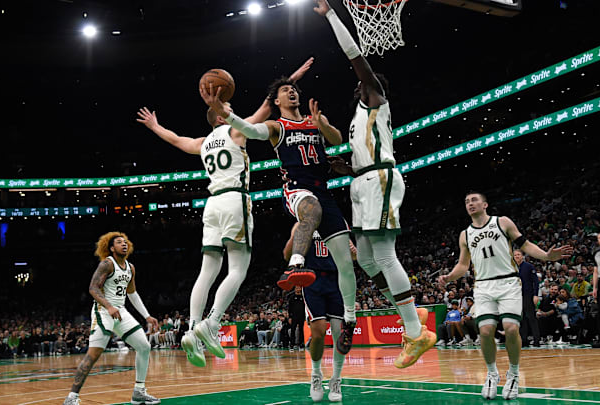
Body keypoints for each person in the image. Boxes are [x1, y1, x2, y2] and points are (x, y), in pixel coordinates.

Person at [139, 60, 314, 367]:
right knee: (238, 269)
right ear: (222, 115)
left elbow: (175, 139)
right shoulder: (236, 130)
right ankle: (213, 323)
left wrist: (154, 126)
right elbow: (267, 107)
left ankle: (193, 328)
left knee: (207, 271)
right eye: (229, 107)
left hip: (211, 206)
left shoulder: (202, 142)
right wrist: (293, 79)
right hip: (234, 201)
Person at [310, 0, 435, 369]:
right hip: (362, 182)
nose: (358, 83)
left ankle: (415, 331)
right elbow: (354, 155)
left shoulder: (377, 98)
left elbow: (355, 55)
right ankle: (410, 315)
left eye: (362, 80)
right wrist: (342, 168)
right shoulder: (357, 118)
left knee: (383, 255)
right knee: (364, 258)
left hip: (380, 178)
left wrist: (332, 15)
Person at [201, 70, 359, 356]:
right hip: (296, 189)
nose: (292, 92)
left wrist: (322, 124)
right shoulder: (276, 126)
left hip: (324, 190)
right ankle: (296, 264)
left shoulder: (313, 121)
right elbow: (250, 131)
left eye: (294, 89)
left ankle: (349, 318)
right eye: (285, 90)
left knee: (345, 264)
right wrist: (224, 113)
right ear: (276, 100)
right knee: (310, 210)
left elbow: (336, 140)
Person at [439, 192, 572, 400]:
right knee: (485, 331)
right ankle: (492, 374)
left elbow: (525, 245)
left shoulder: (502, 222)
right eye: (466, 202)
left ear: (485, 204)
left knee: (511, 329)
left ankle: (514, 373)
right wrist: (448, 277)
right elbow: (463, 265)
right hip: (483, 285)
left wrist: (546, 256)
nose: (470, 204)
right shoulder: (465, 234)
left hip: (508, 281)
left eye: (474, 200)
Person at [64, 232, 160, 405]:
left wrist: (147, 316)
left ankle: (139, 392)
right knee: (93, 354)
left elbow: (132, 293)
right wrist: (108, 306)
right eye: (119, 242)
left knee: (144, 346)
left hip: (120, 311)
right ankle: (72, 397)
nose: (124, 244)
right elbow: (93, 288)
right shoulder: (107, 264)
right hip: (103, 310)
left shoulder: (130, 267)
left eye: (125, 242)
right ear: (111, 248)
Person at [514, 250, 541, 348]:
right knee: (522, 318)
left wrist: (535, 295)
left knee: (531, 317)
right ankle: (524, 340)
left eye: (518, 254)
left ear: (522, 256)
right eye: (515, 255)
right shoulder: (512, 268)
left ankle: (536, 340)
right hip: (517, 296)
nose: (517, 256)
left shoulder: (529, 266)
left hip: (528, 295)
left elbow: (536, 282)